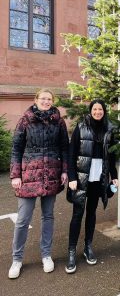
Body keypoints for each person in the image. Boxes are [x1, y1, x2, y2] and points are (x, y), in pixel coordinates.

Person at [9, 89, 69, 279]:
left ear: (53, 101)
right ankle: (16, 259)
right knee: (22, 220)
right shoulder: (26, 120)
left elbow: (64, 148)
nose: (46, 101)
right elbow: (16, 148)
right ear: (35, 100)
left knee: (48, 216)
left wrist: (65, 171)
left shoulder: (58, 121)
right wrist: (15, 175)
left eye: (49, 99)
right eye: (43, 98)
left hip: (51, 174)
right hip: (29, 176)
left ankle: (46, 255)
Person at [65, 99, 118, 274]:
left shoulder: (109, 128)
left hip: (99, 175)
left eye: (100, 109)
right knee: (77, 213)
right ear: (90, 110)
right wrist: (72, 176)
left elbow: (111, 156)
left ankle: (88, 246)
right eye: (95, 109)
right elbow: (72, 153)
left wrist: (114, 176)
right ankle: (71, 251)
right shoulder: (81, 127)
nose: (97, 112)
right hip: (81, 176)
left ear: (104, 111)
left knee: (92, 212)